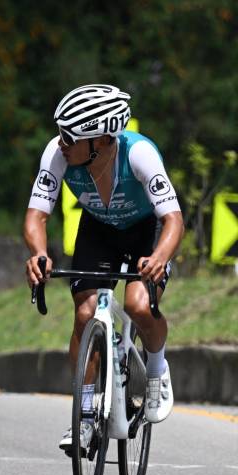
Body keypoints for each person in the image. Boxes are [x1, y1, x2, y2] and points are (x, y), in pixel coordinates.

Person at [23, 84, 184, 453]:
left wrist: (159, 257)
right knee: (85, 313)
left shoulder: (139, 154)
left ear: (102, 140)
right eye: (60, 133)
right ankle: (83, 416)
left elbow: (173, 220)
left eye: (70, 136)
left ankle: (157, 370)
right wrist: (39, 253)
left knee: (138, 305)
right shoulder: (58, 153)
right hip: (98, 229)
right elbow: (36, 215)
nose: (61, 142)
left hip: (147, 230)